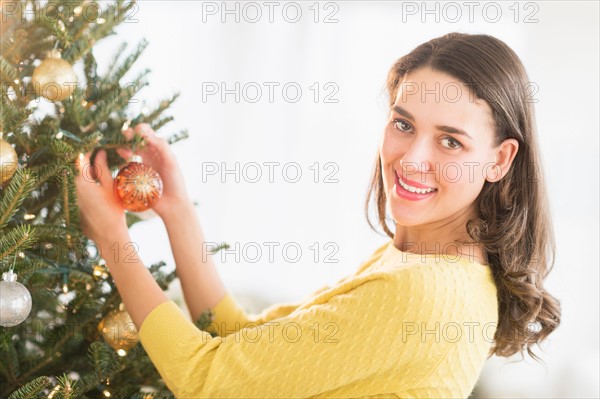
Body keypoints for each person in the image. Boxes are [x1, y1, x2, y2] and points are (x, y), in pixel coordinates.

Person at [74, 32, 561, 398]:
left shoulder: (424, 291)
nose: (412, 158)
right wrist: (177, 213)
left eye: (450, 141)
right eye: (403, 124)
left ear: (499, 160)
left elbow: (207, 381)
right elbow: (242, 337)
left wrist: (112, 238)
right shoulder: (418, 262)